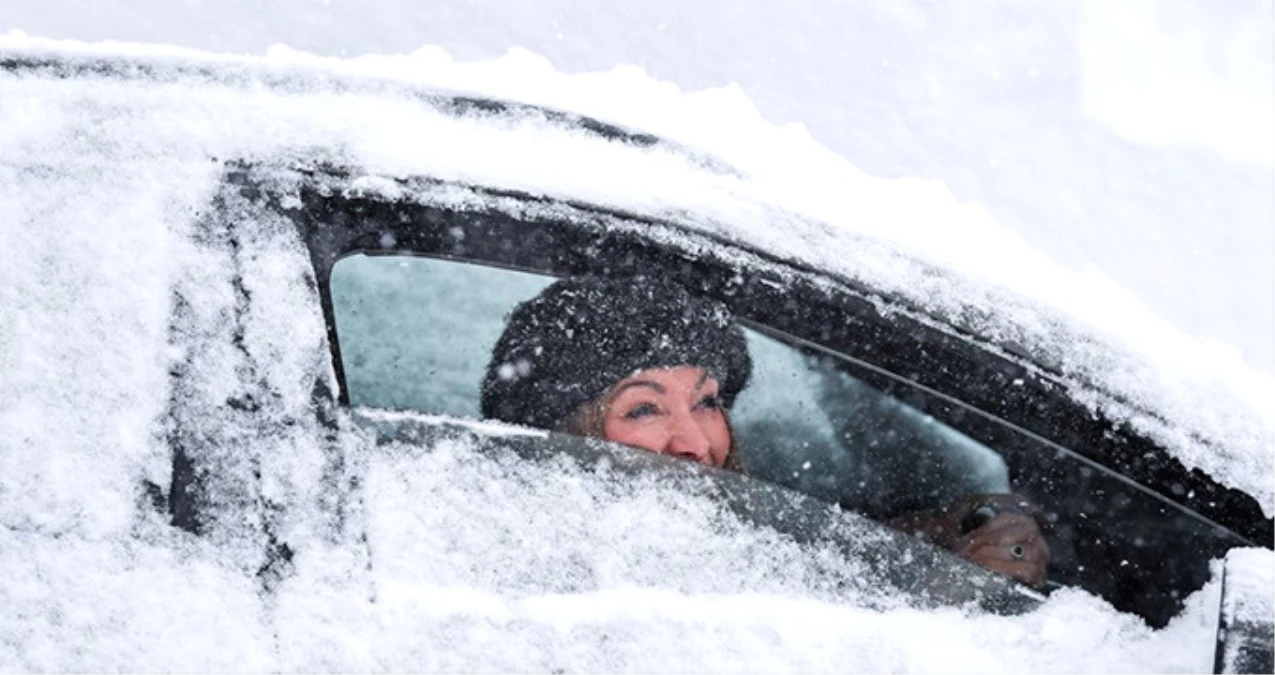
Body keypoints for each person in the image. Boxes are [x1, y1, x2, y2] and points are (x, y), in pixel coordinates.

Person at [481, 275, 1048, 588]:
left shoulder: (704, 534)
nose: (695, 444)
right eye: (644, 411)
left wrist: (935, 542)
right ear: (564, 436)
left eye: (705, 402)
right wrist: (941, 599)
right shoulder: (564, 582)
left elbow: (782, 555)